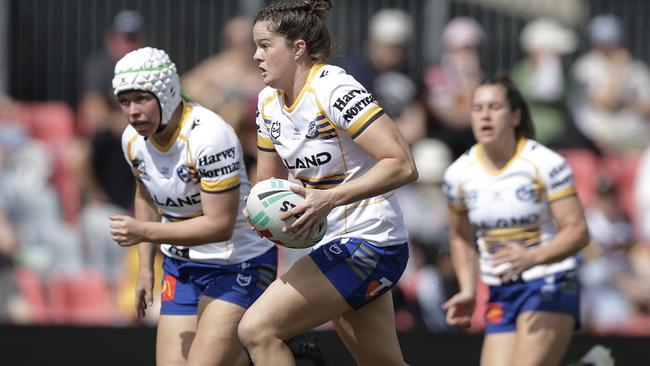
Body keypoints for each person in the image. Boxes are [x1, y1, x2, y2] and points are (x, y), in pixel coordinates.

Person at [237, 1, 418, 365]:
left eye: (265, 45)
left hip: (371, 240)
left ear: (298, 48)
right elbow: (267, 187)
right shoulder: (268, 104)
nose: (255, 56)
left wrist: (328, 198)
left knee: (257, 329)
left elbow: (402, 165)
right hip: (333, 243)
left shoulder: (333, 88)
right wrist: (261, 211)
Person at [108, 47, 277, 366]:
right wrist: (145, 267)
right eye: (124, 101)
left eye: (141, 99)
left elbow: (218, 226)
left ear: (167, 93)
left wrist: (143, 232)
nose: (132, 111)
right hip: (181, 265)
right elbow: (145, 195)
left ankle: (264, 347)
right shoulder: (132, 139)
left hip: (237, 261)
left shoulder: (210, 136)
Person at [442, 74, 589, 366]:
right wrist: (468, 289)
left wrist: (534, 257)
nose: (485, 115)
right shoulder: (457, 174)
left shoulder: (545, 163)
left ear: (516, 115)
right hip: (501, 290)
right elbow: (460, 237)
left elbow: (578, 232)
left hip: (550, 280)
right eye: (478, 108)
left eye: (494, 107)